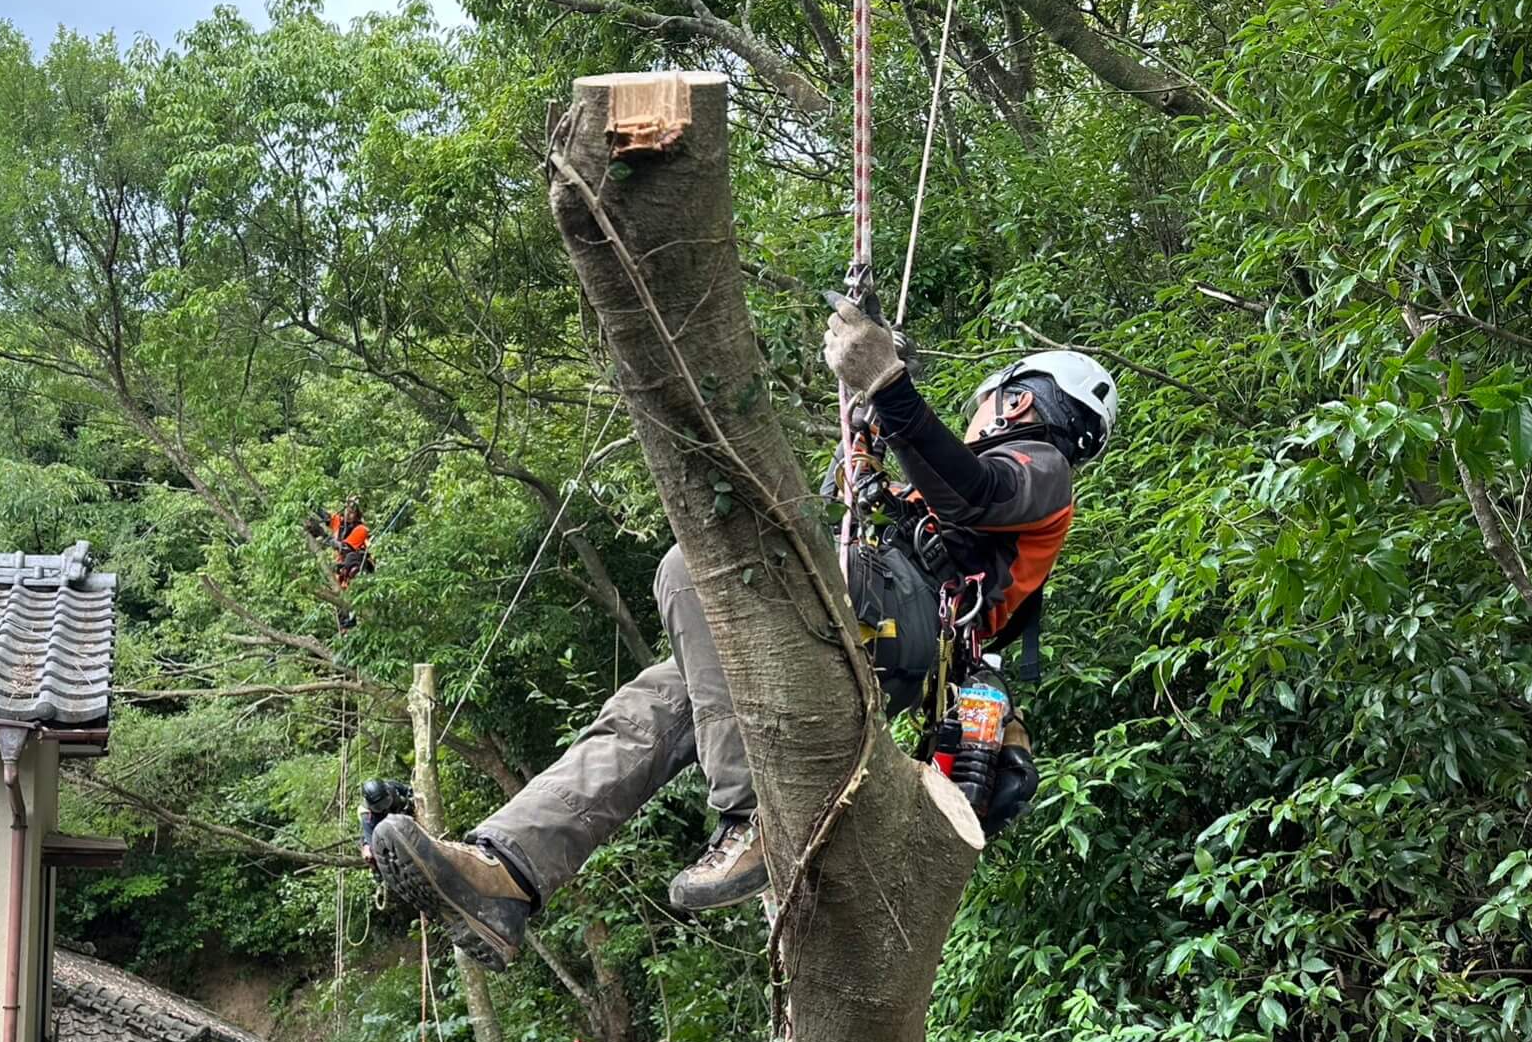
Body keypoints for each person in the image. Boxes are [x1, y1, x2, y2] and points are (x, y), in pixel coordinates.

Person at [370, 306, 1116, 970]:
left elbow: (975, 493)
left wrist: (891, 388)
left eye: (988, 402)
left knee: (697, 568)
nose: (979, 413)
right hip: (872, 606)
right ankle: (506, 870)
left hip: (899, 616)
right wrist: (872, 431)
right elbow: (857, 510)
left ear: (1022, 400)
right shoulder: (966, 482)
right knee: (654, 707)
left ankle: (751, 815)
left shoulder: (1042, 467)